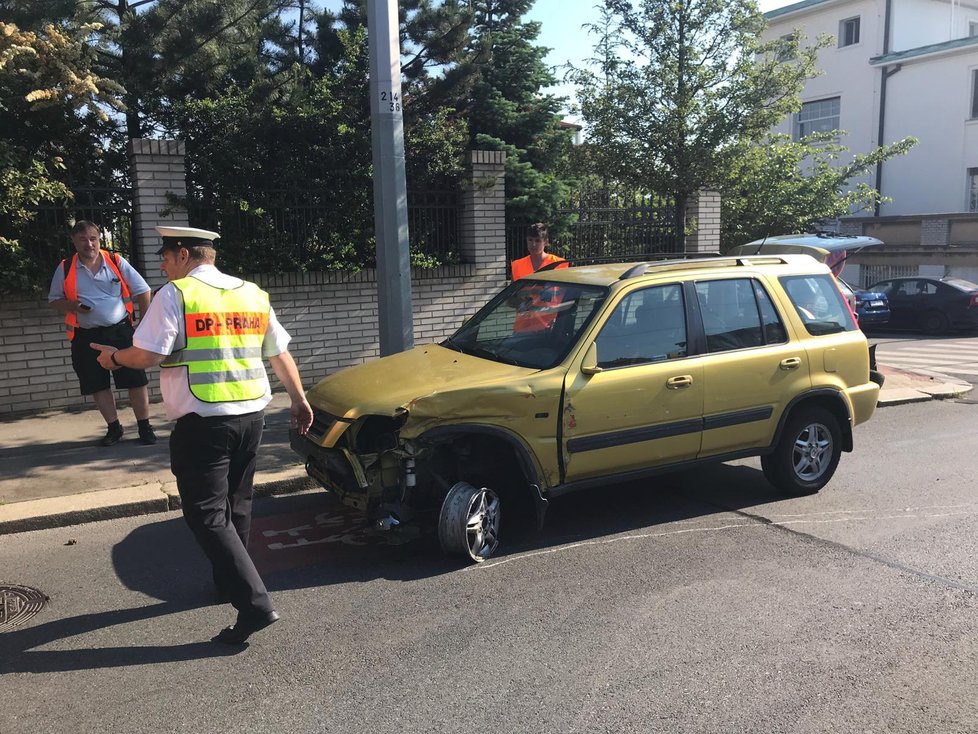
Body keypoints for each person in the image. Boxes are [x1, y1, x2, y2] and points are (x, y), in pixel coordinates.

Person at [91, 225, 313, 645]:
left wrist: (114, 357)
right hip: (252, 414)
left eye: (164, 256)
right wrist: (300, 400)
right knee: (237, 506)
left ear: (183, 255)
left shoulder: (175, 295)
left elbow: (151, 353)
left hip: (204, 420)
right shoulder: (252, 293)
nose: (160, 264)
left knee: (207, 514)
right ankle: (227, 583)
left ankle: (254, 604)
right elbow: (279, 352)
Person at [48, 220, 157, 446]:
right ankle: (114, 428)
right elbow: (54, 301)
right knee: (97, 384)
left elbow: (144, 290)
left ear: (99, 239)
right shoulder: (66, 267)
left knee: (135, 380)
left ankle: (145, 428)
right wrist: (71, 306)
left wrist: (144, 324)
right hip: (85, 337)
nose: (89, 244)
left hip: (120, 333)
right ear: (74, 242)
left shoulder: (116, 261)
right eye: (82, 239)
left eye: (93, 238)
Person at [510, 223, 569, 332]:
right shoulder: (517, 265)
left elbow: (567, 297)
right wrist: (521, 302)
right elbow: (511, 298)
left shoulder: (559, 264)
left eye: (537, 240)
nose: (533, 244)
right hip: (523, 326)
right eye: (530, 240)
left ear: (546, 242)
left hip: (550, 326)